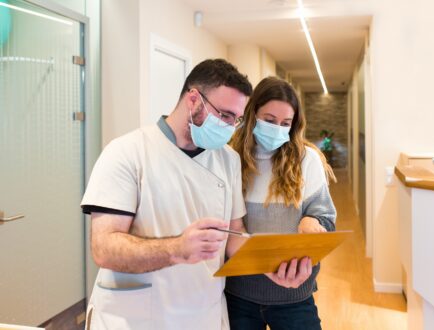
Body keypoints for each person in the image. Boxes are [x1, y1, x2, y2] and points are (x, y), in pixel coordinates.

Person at [80, 59, 252, 330]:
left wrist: (275, 264)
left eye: (236, 119)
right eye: (225, 115)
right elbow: (104, 248)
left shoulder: (228, 160)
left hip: (203, 314)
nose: (230, 127)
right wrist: (177, 249)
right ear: (193, 99)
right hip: (136, 318)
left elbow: (235, 234)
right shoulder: (128, 152)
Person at [224, 77, 337, 330]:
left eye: (285, 123)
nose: (277, 129)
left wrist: (313, 221)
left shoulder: (306, 159)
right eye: (269, 120)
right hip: (238, 295)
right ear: (252, 114)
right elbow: (228, 228)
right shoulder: (230, 157)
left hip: (294, 297)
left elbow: (326, 220)